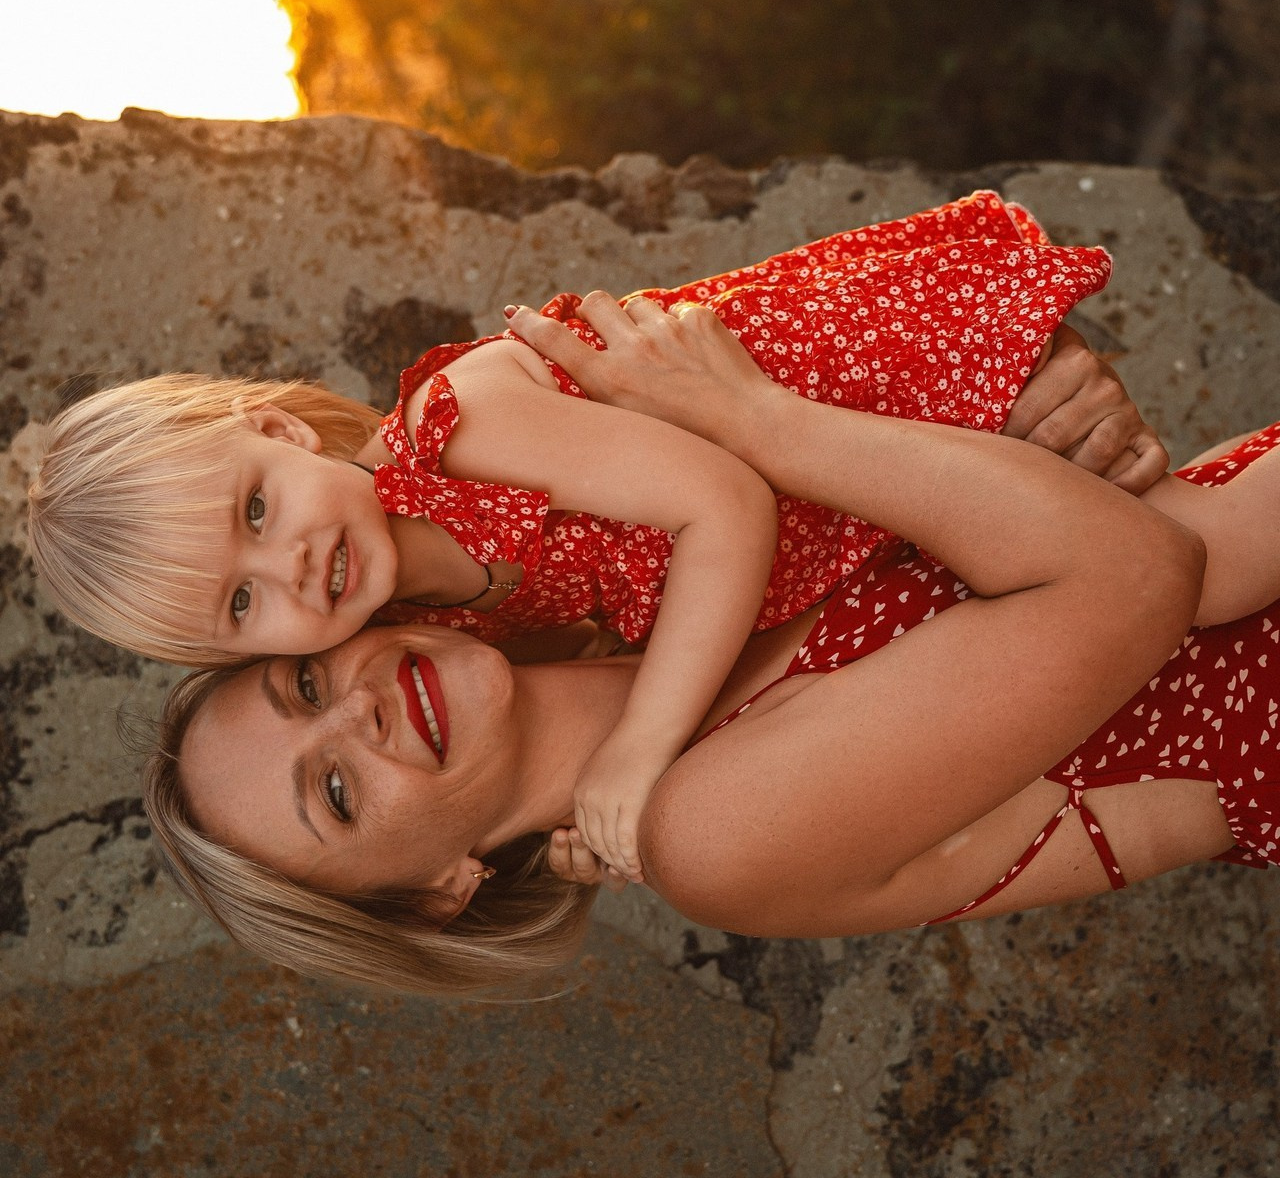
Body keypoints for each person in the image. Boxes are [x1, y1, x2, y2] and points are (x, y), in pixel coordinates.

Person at [141, 305, 1280, 1000]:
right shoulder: (708, 833)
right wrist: (761, 422)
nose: (354, 713)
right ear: (440, 890)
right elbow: (1134, 576)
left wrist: (1028, 377)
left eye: (301, 684)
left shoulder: (639, 584)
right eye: (334, 790)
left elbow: (959, 447)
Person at [31, 192, 1148, 880]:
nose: (289, 567)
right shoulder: (426, 620)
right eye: (242, 601)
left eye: (257, 510)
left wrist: (636, 750)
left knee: (1153, 539)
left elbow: (723, 506)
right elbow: (560, 707)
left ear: (274, 429)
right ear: (244, 652)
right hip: (864, 510)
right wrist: (580, 825)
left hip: (881, 390)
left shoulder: (456, 426)